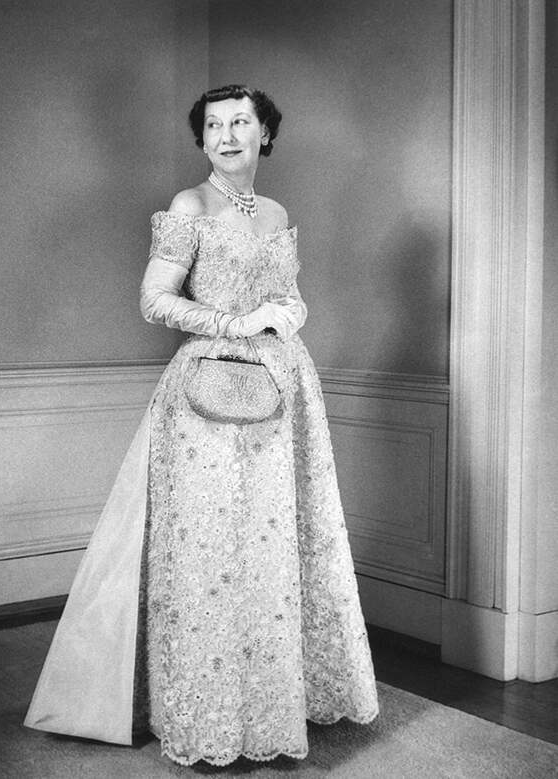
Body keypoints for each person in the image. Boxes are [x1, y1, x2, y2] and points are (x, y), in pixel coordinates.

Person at [24, 84, 379, 767]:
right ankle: (205, 710)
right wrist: (236, 323)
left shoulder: (276, 213)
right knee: (210, 548)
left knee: (275, 545)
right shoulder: (190, 206)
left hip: (283, 385)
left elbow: (287, 293)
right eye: (214, 125)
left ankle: (271, 703)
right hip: (207, 391)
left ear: (265, 133)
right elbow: (154, 299)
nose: (226, 135)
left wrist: (291, 312)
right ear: (203, 139)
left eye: (240, 122)